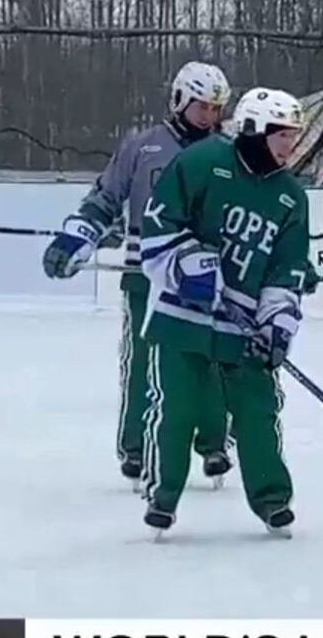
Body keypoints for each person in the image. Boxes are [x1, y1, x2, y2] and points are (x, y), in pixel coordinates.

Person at [42, 61, 236, 491]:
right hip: (147, 277)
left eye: (216, 108)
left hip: (208, 278)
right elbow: (106, 199)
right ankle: (136, 447)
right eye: (202, 106)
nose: (209, 115)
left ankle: (213, 442)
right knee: (144, 364)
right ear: (179, 100)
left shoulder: (229, 153)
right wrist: (78, 238)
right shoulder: (142, 147)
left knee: (211, 359)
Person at [137, 88, 319, 537]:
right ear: (255, 130)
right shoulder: (202, 162)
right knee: (178, 410)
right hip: (181, 317)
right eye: (283, 135)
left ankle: (272, 500)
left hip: (243, 327)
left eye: (294, 135)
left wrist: (276, 324)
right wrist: (186, 264)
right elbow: (159, 222)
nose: (291, 145)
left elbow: (286, 269)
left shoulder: (291, 197)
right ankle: (163, 497)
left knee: (258, 412)